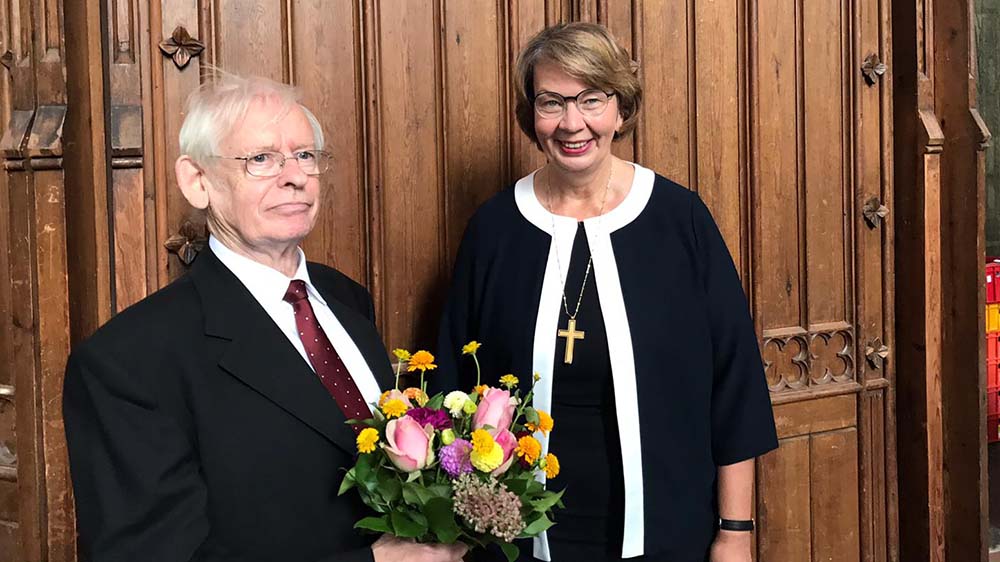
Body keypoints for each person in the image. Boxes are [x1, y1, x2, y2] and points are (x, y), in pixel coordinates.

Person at [63, 74, 466, 562]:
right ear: (197, 181)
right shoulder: (128, 361)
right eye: (261, 159)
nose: (294, 175)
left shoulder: (347, 300)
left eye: (305, 155)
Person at [437, 23, 778, 562]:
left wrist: (735, 532)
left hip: (667, 531)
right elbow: (454, 387)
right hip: (515, 539)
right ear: (532, 117)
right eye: (552, 102)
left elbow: (733, 383)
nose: (573, 123)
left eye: (591, 99)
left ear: (621, 109)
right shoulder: (495, 229)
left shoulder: (679, 219)